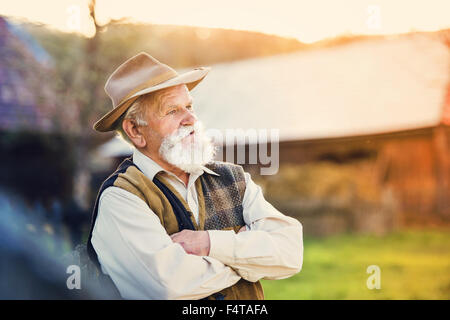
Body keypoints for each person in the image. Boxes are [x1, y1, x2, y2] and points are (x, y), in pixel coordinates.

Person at [88, 52, 303, 300]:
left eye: (189, 106)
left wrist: (210, 244)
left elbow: (291, 253)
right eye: (172, 111)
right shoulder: (121, 198)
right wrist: (250, 260)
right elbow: (169, 287)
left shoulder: (233, 178)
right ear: (135, 130)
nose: (191, 119)